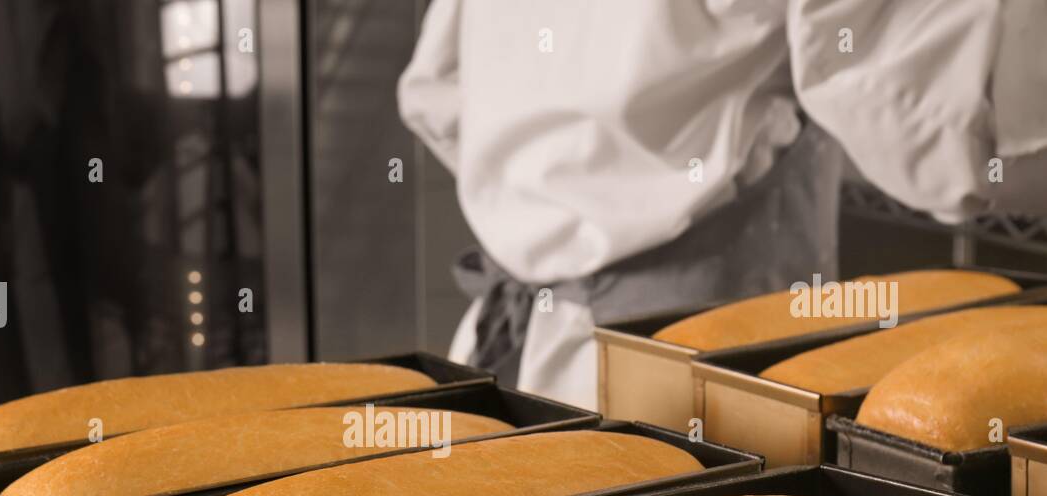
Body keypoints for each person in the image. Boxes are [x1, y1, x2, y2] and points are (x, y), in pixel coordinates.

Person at [398, 0, 1047, 410]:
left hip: (506, 360)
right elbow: (940, 127)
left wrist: (563, 213)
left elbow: (437, 94)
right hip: (686, 384)